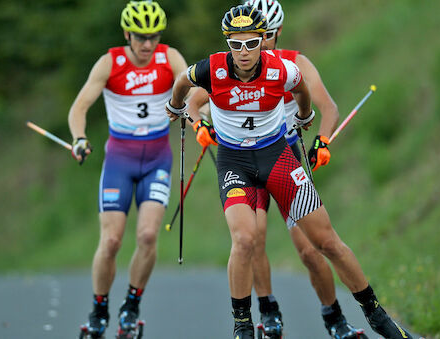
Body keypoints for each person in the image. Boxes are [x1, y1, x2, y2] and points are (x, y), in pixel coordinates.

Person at [166, 4, 413, 339]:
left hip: (278, 157)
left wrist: (305, 117)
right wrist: (178, 108)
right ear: (228, 43)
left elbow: (302, 91)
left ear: (267, 37)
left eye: (252, 42)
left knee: (325, 243)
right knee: (245, 239)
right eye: (236, 44)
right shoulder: (212, 69)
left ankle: (375, 314)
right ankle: (244, 324)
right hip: (235, 162)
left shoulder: (283, 68)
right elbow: (183, 83)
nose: (244, 52)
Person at [67, 1, 189, 338]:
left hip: (157, 158)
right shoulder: (110, 62)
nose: (147, 45)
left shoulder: (170, 57)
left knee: (148, 235)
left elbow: (195, 89)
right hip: (120, 159)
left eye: (153, 36)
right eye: (140, 37)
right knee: (111, 242)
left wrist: (200, 116)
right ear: (127, 34)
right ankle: (99, 309)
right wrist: (79, 138)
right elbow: (79, 107)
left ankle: (131, 305)